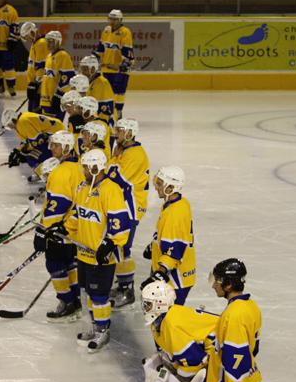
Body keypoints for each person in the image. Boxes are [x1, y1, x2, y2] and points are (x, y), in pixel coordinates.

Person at [46, 149, 131, 352]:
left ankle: (103, 330)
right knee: (88, 293)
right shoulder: (83, 187)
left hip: (101, 257)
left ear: (95, 168)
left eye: (85, 166)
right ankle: (93, 326)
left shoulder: (111, 190)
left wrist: (110, 243)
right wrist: (63, 228)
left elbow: (120, 222)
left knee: (99, 295)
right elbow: (77, 214)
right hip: (84, 252)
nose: (82, 169)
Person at [33, 131, 85, 322]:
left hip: (60, 229)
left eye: (55, 145)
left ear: (66, 147)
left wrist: (43, 231)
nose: (51, 148)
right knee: (70, 263)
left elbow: (57, 205)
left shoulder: (61, 172)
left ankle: (66, 302)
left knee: (54, 264)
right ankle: (76, 299)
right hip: (76, 227)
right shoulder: (79, 167)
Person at [106, 118, 149, 308]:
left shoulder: (135, 154)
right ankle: (123, 285)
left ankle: (127, 290)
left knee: (123, 249)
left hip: (130, 207)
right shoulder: (124, 150)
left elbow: (116, 177)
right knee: (118, 248)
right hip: (122, 206)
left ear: (130, 133)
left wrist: (111, 163)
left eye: (121, 131)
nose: (117, 134)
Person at [141, 166, 196, 304]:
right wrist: (154, 246)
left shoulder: (175, 214)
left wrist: (161, 272)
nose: (156, 187)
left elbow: (175, 250)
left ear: (171, 187)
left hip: (176, 281)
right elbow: (169, 233)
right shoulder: (177, 203)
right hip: (179, 277)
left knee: (167, 321)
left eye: (160, 184)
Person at [93, 9, 134, 118]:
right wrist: (96, 58)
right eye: (111, 19)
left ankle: (118, 113)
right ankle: (109, 114)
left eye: (115, 19)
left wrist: (123, 65)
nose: (112, 21)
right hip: (106, 69)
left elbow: (127, 50)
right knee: (107, 93)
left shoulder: (125, 32)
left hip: (119, 70)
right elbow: (101, 48)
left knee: (118, 93)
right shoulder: (106, 30)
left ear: (120, 20)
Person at [40, 30, 75, 120]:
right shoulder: (49, 56)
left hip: (55, 99)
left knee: (54, 127)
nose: (48, 44)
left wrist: (59, 95)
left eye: (51, 41)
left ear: (58, 42)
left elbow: (68, 77)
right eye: (47, 41)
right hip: (45, 99)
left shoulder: (63, 55)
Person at [78, 55, 115, 127]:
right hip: (92, 121)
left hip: (101, 125)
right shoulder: (90, 81)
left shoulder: (102, 83)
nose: (82, 72)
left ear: (93, 69)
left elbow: (104, 109)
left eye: (85, 69)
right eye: (81, 69)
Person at [20, 22, 48, 112]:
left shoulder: (41, 43)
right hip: (34, 86)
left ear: (32, 32)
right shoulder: (35, 44)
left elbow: (42, 66)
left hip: (38, 88)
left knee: (35, 114)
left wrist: (36, 84)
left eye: (27, 36)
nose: (27, 39)